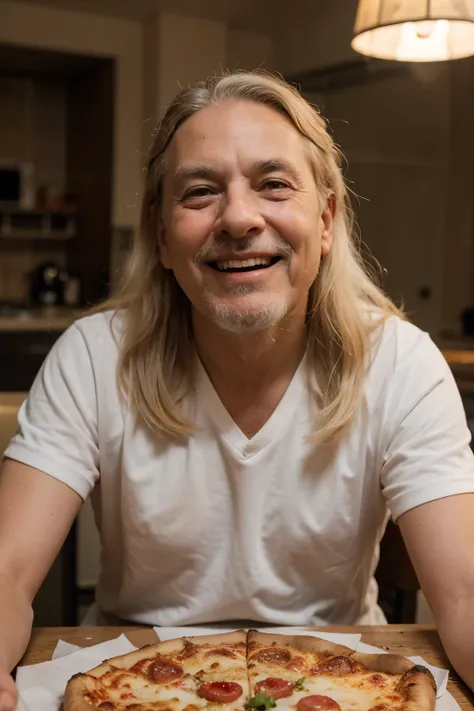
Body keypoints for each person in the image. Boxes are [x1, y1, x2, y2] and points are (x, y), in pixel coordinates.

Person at [1, 69, 474, 709]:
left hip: (348, 684)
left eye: (274, 184)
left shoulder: (402, 362)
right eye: (200, 193)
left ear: (327, 218)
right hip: (136, 685)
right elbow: (6, 570)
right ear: (163, 236)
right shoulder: (91, 356)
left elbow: (466, 592)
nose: (240, 219)